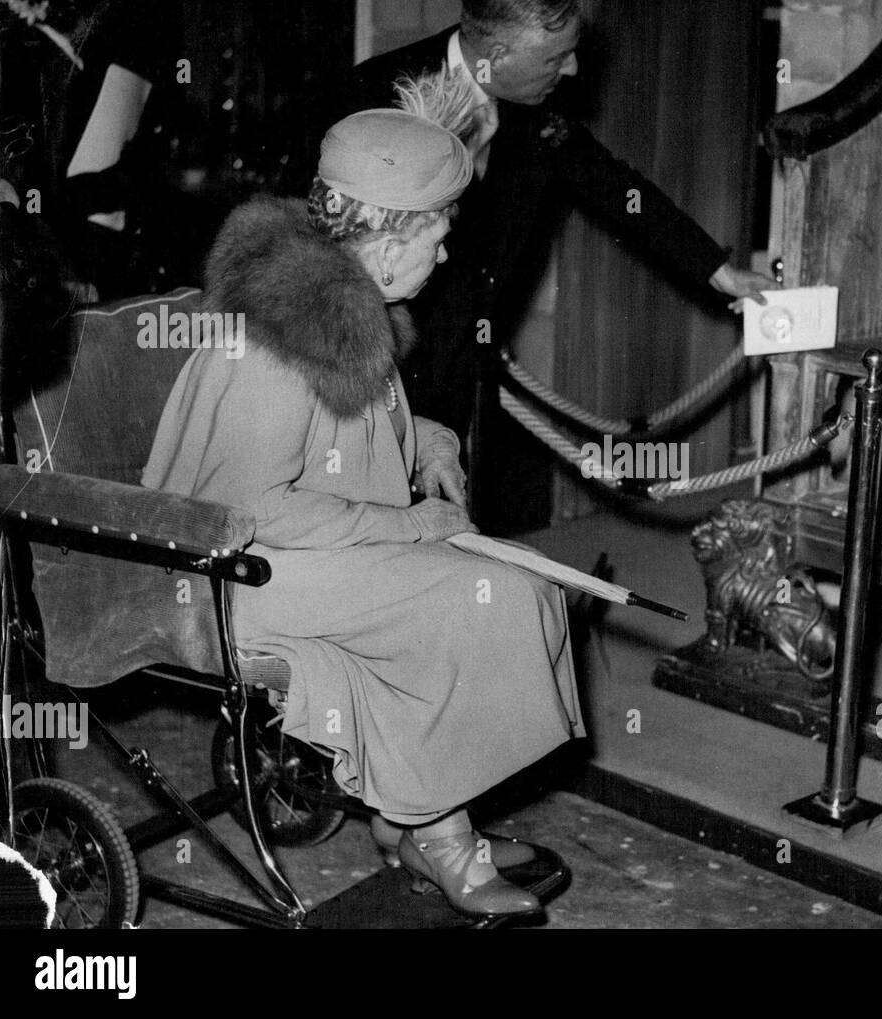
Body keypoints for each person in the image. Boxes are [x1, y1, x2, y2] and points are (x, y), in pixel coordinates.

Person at [141, 71, 583, 921]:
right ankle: (435, 833)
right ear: (385, 243)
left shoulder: (339, 307)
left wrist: (431, 440)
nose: (447, 252)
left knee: (515, 584)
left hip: (295, 557)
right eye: (440, 235)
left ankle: (419, 810)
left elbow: (351, 440)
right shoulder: (273, 347)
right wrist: (410, 525)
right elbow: (255, 506)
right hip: (230, 577)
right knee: (464, 604)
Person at [306, 0, 775, 453]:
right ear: (498, 55)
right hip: (372, 366)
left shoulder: (531, 97)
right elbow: (310, 237)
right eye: (556, 57)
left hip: (466, 359)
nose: (572, 68)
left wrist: (718, 270)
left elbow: (614, 186)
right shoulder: (370, 93)